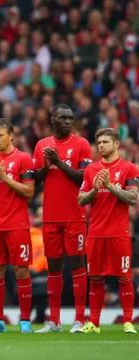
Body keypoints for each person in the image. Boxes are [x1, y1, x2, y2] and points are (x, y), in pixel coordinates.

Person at [33, 104, 92, 333]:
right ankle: (54, 321)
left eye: (70, 118)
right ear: (53, 120)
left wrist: (58, 163)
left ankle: (79, 319)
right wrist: (47, 167)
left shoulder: (82, 144)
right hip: (50, 216)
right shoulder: (42, 146)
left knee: (77, 265)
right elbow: (36, 178)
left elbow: (83, 178)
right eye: (63, 118)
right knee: (53, 267)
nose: (68, 122)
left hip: (74, 215)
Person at [0, 119, 35, 333]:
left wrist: (3, 177)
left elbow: (29, 192)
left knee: (21, 270)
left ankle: (26, 320)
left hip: (17, 224)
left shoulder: (23, 159)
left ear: (11, 135)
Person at [78, 128, 137, 334]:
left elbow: (132, 198)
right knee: (95, 278)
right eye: (99, 142)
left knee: (124, 277)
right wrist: (95, 189)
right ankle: (94, 323)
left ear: (116, 145)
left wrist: (110, 186)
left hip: (119, 232)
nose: (101, 145)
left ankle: (128, 321)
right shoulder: (91, 170)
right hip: (95, 232)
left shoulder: (129, 168)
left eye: (105, 142)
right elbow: (80, 200)